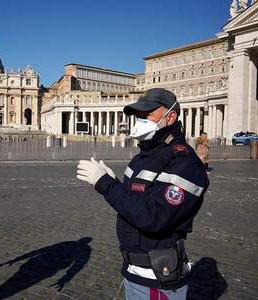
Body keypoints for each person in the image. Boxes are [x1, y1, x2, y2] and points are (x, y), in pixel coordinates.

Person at [77, 88, 209, 299]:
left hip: (159, 278)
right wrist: (115, 182)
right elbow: (136, 202)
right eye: (138, 116)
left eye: (146, 115)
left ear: (170, 116)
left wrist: (106, 185)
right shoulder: (145, 156)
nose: (140, 120)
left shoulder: (184, 162)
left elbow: (154, 217)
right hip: (134, 270)